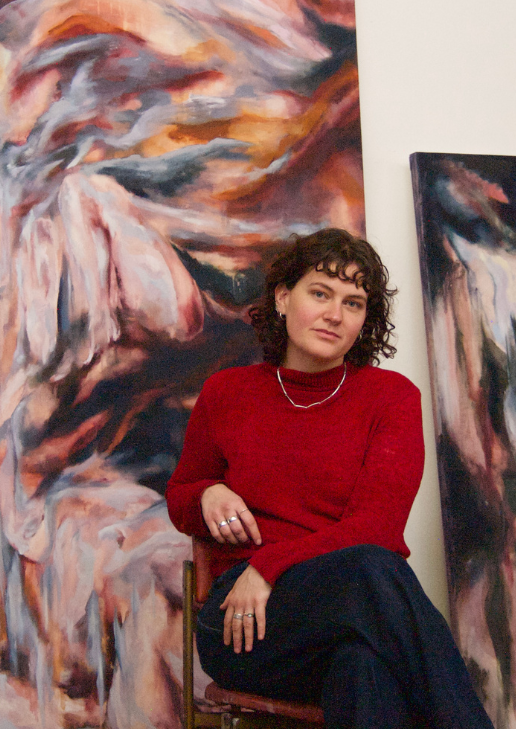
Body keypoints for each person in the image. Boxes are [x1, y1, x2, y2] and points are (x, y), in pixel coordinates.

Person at [165, 228, 496, 729]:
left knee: (364, 667)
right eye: (320, 293)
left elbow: (377, 527)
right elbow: (180, 498)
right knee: (372, 571)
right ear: (283, 298)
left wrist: (268, 565)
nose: (335, 315)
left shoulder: (392, 398)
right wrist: (207, 492)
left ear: (365, 320)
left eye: (353, 303)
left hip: (339, 603)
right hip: (245, 621)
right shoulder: (227, 392)